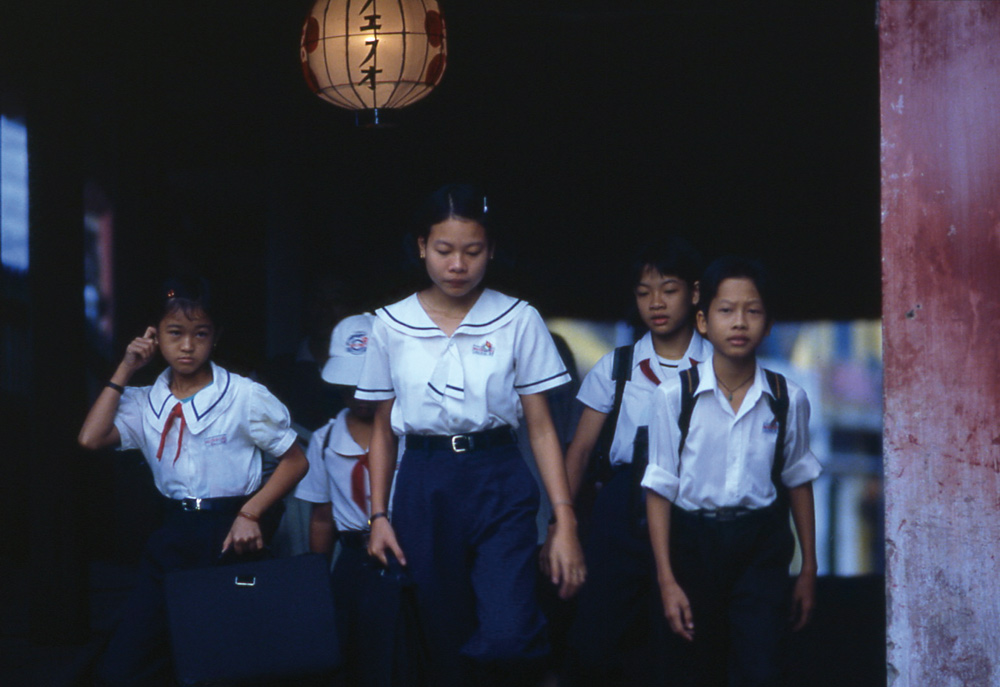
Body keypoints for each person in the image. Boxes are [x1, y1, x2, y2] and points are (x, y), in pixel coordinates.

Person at [357, 183, 586, 686]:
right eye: (444, 250)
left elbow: (543, 427)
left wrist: (563, 519)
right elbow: (382, 427)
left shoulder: (518, 319)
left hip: (498, 476)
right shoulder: (391, 325)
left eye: (472, 251)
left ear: (491, 251)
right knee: (441, 635)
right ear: (421, 247)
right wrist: (378, 514)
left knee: (508, 630)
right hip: (422, 481)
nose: (457, 264)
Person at [78, 276, 309, 686]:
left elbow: (295, 461)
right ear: (153, 336)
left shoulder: (244, 395)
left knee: (223, 659)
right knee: (127, 662)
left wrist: (251, 514)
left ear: (215, 336)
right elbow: (90, 438)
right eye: (175, 333)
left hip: (232, 536)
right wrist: (127, 366)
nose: (187, 346)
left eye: (200, 334)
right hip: (172, 532)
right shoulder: (145, 400)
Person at [641, 256, 821, 686]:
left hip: (760, 546)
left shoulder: (786, 398)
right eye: (726, 310)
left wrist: (809, 569)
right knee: (691, 664)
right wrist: (666, 579)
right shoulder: (673, 397)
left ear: (769, 324)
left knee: (760, 666)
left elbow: (798, 480)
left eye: (752, 310)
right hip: (691, 546)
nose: (739, 322)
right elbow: (659, 489)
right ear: (702, 322)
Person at [562, 238, 712, 685]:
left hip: (692, 506)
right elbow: (581, 451)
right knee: (598, 636)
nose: (656, 303)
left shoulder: (718, 366)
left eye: (668, 289)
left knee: (684, 636)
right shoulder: (616, 366)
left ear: (696, 293)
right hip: (620, 509)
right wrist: (561, 524)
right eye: (644, 292)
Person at [294, 313, 399, 687]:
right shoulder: (324, 439)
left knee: (395, 650)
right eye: (348, 384)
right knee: (347, 648)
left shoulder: (409, 432)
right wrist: (316, 579)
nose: (359, 394)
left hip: (403, 554)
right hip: (352, 559)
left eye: (368, 382)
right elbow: (322, 516)